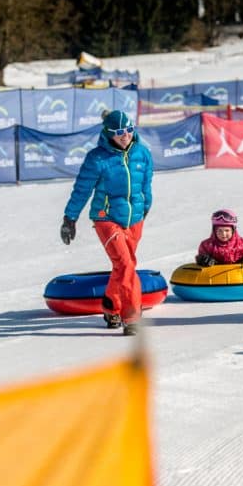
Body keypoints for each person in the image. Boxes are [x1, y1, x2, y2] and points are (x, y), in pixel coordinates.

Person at [60, 110, 153, 335]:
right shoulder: (97, 158)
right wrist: (69, 218)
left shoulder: (142, 153)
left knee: (123, 266)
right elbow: (82, 190)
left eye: (129, 130)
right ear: (109, 133)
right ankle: (131, 318)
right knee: (127, 265)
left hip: (135, 218)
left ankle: (111, 306)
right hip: (106, 217)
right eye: (120, 132)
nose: (125, 135)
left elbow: (146, 184)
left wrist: (146, 207)